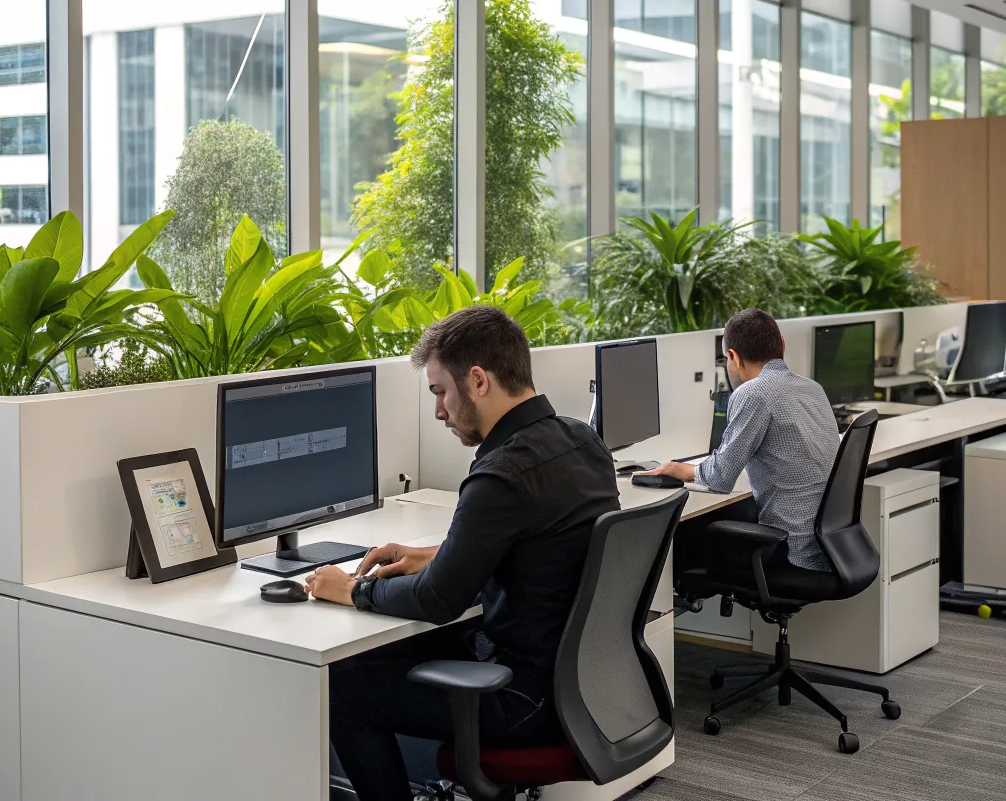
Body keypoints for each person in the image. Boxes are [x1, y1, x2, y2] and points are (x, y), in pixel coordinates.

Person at [306, 305, 620, 801]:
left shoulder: (502, 473)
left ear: (477, 381)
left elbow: (438, 602)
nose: (438, 411)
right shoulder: (581, 439)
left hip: (525, 698)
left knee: (346, 691)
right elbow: (540, 544)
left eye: (439, 391)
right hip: (587, 684)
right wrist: (436, 553)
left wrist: (352, 590)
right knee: (395, 652)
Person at [646, 308, 840, 573]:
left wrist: (682, 470)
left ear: (733, 357)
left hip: (789, 551)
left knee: (682, 538)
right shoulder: (812, 388)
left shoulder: (753, 392)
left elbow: (720, 478)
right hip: (827, 547)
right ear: (782, 347)